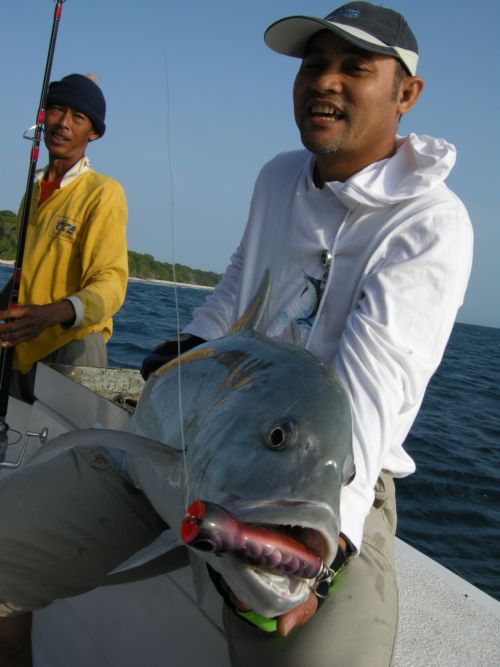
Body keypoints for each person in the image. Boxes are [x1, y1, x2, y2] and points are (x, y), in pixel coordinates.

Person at [0, 4, 473, 667]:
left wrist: (326, 543)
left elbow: (371, 396)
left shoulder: (429, 223)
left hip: (329, 469)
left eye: (355, 68)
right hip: (204, 420)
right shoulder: (279, 176)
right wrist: (188, 345)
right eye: (313, 65)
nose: (325, 81)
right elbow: (235, 291)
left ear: (407, 94)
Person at [0, 73, 128, 403]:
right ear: (44, 118)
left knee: (70, 454)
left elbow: (111, 284)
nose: (64, 123)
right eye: (57, 110)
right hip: (19, 347)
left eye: (78, 116)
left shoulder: (104, 193)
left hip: (71, 349)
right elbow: (27, 272)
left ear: (94, 132)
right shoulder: (33, 190)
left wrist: (50, 315)